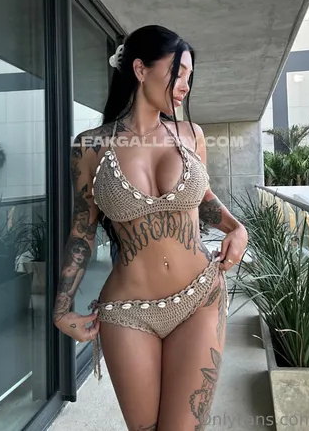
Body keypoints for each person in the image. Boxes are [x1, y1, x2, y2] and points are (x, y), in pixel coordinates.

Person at [53, 25, 248, 431]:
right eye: (178, 74)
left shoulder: (190, 135)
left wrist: (237, 228)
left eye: (190, 77)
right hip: (128, 313)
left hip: (200, 297)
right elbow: (82, 230)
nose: (185, 87)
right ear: (141, 70)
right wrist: (61, 309)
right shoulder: (91, 146)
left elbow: (204, 200)